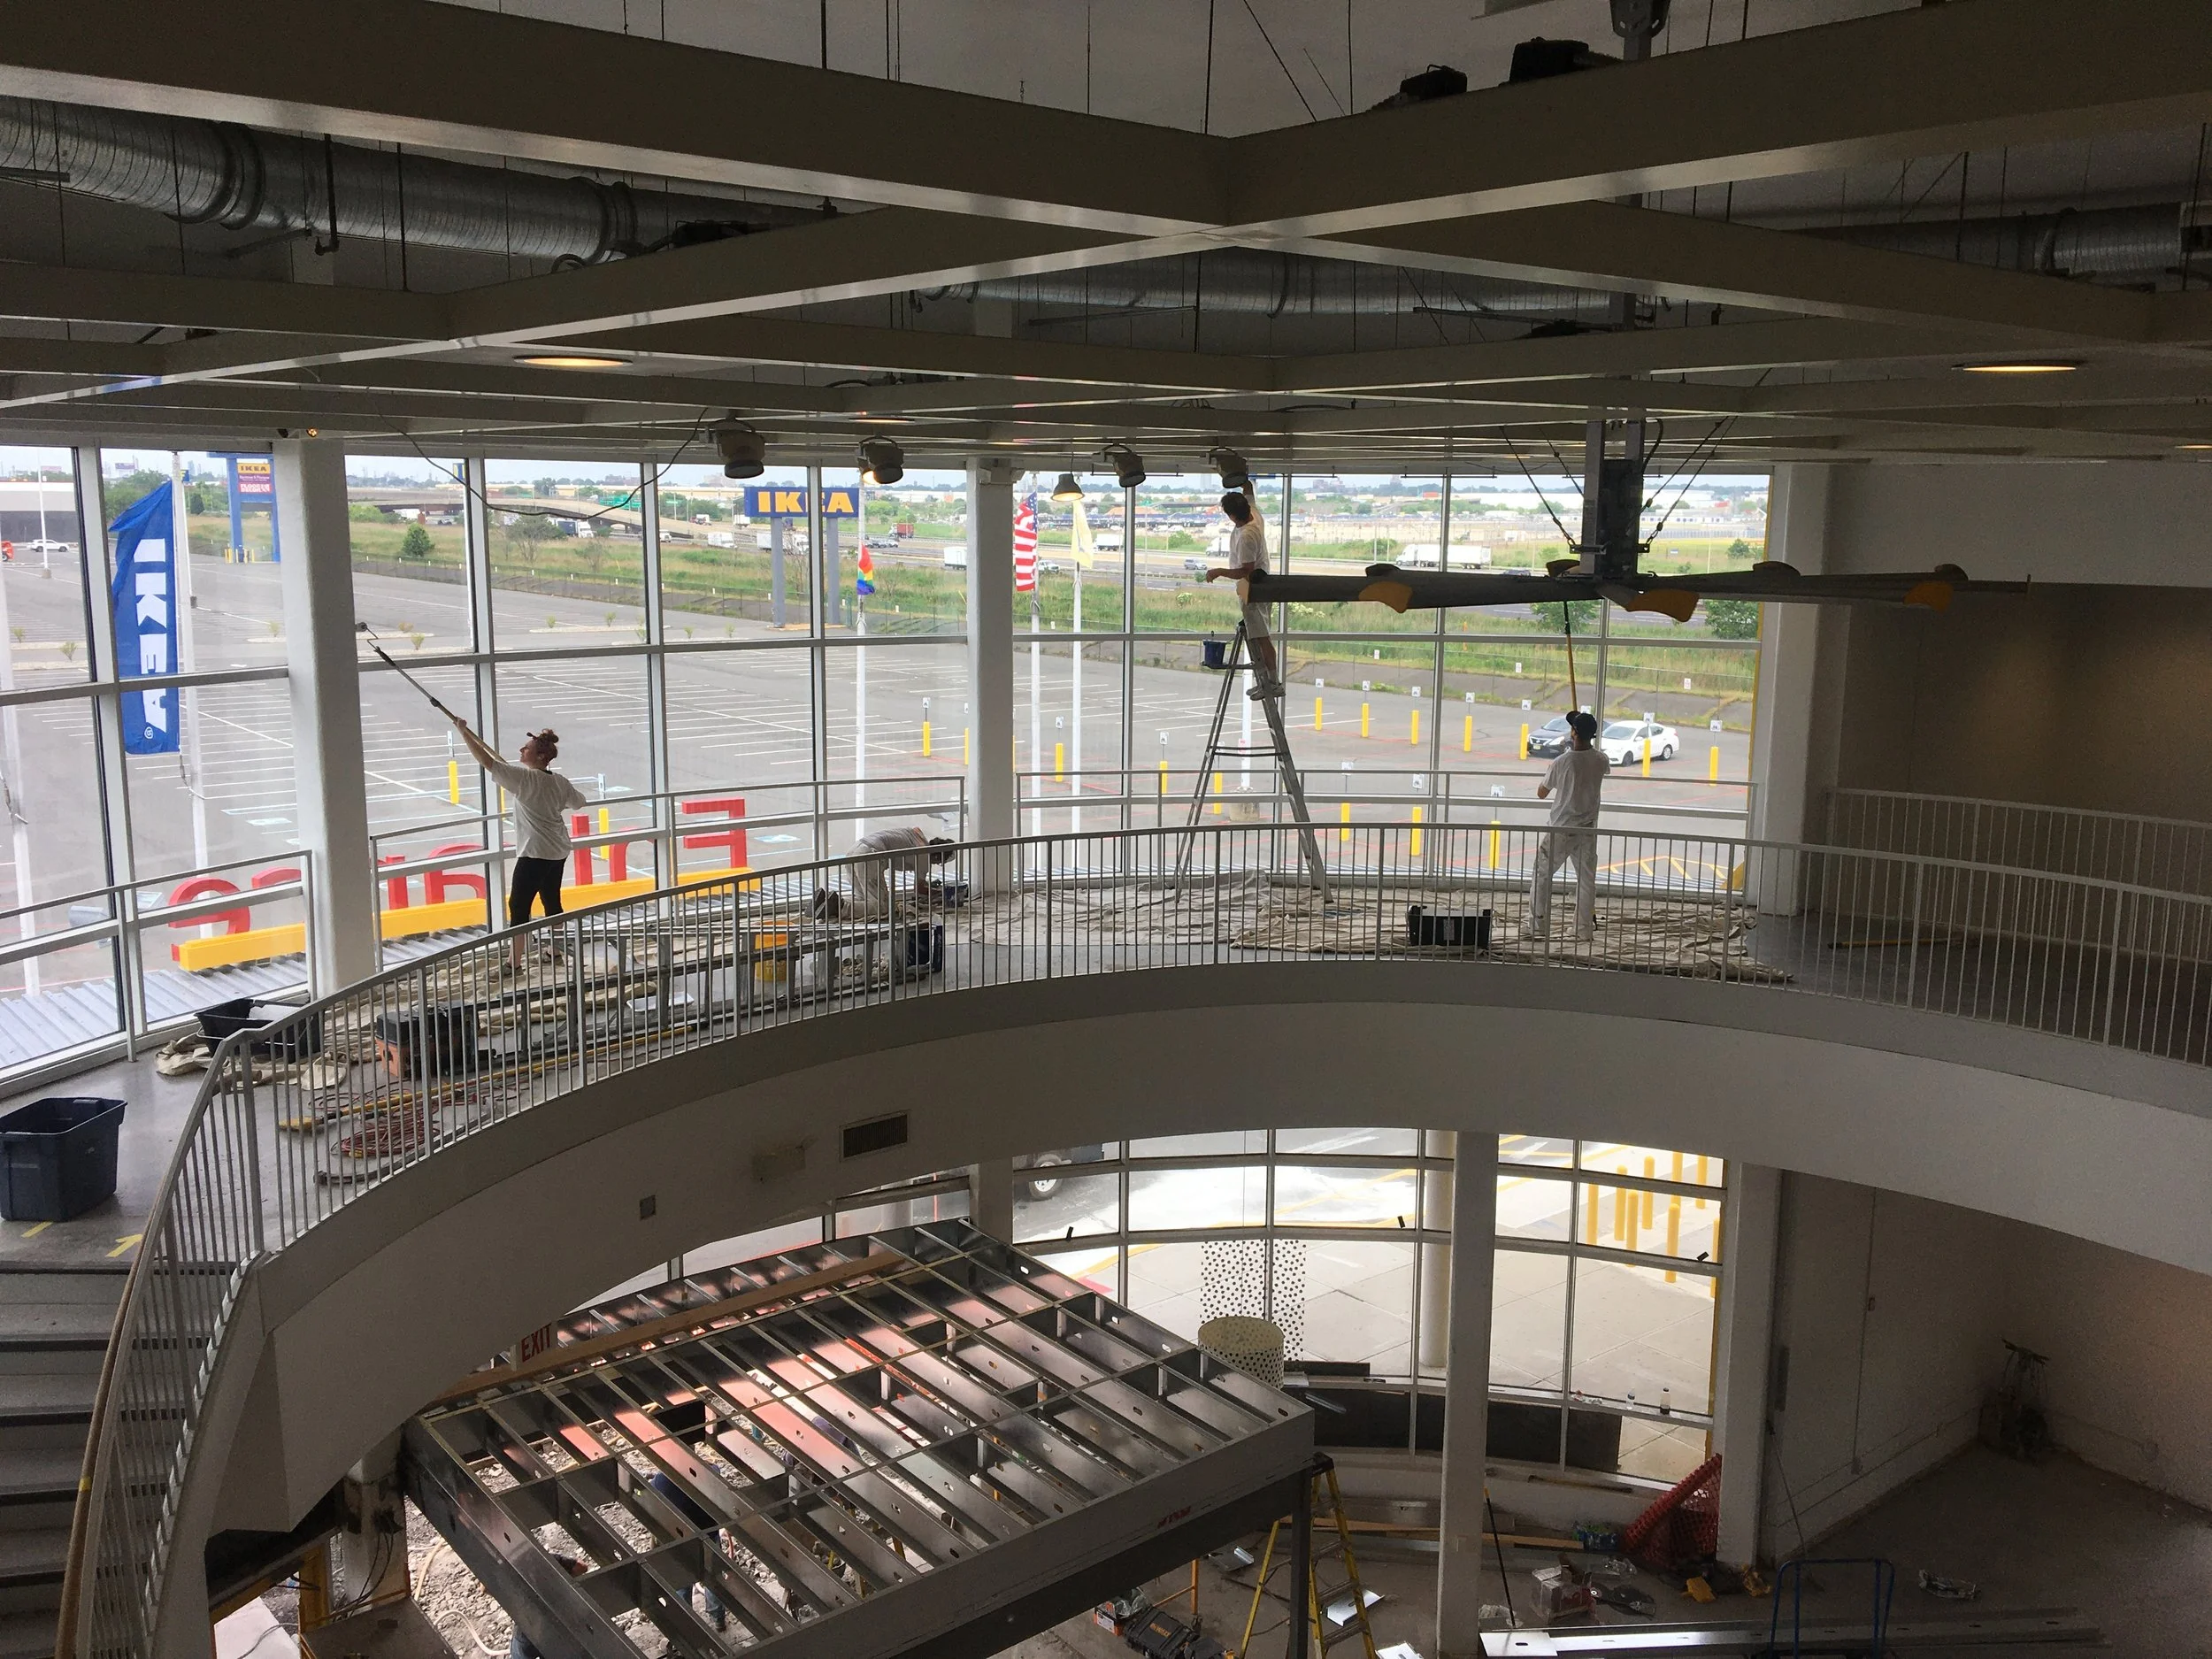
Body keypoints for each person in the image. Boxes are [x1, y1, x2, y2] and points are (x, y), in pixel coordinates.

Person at [448, 717, 588, 967]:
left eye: (527, 749)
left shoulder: (525, 780)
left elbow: (485, 761)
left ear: (541, 756)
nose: (521, 751)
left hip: (535, 852)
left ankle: (514, 963)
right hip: (558, 849)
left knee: (519, 906)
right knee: (552, 901)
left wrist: (462, 731)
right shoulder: (558, 781)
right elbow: (578, 802)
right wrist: (553, 802)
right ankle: (554, 952)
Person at [1528, 710, 1609, 942]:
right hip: (1587, 828)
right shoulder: (1601, 760)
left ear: (1573, 732)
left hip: (1561, 828)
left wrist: (1557, 766)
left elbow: (1541, 792)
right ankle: (1582, 929)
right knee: (1586, 879)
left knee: (1542, 874)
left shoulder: (1562, 762)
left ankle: (1537, 926)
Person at [1203, 487, 1284, 700]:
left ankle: (1273, 683)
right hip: (1257, 588)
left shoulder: (1248, 535)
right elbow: (1249, 491)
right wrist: (1242, 479)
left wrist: (1219, 571)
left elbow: (1246, 571)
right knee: (1259, 638)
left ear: (1231, 516)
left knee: (1262, 639)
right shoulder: (1254, 515)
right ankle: (1266, 682)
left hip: (1254, 591)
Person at [814, 826, 956, 919]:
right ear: (938, 855)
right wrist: (941, 893)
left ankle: (826, 901)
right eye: (939, 862)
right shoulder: (924, 854)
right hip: (871, 856)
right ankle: (839, 907)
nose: (937, 864)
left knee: (862, 898)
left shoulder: (917, 835)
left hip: (855, 850)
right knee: (883, 907)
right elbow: (919, 889)